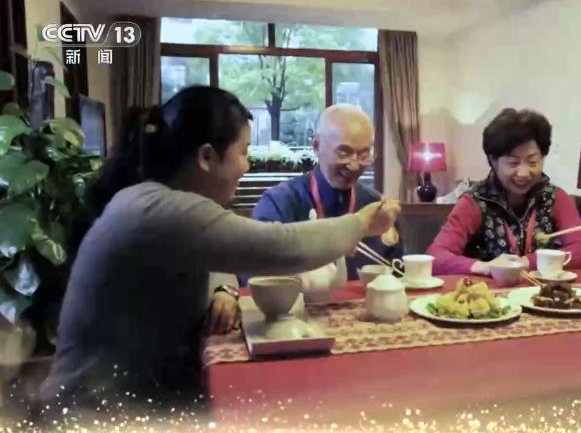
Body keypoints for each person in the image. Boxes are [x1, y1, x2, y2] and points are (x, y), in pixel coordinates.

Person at [38, 87, 400, 413]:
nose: (247, 165)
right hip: (95, 412)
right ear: (207, 157)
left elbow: (218, 254)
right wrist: (362, 223)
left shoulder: (154, 200)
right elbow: (280, 247)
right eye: (243, 152)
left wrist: (223, 288)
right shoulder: (163, 211)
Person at [427, 108, 581, 275]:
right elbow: (436, 257)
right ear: (493, 161)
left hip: (543, 290)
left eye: (533, 162)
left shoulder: (555, 197)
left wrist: (525, 262)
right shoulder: (475, 201)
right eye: (513, 163)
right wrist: (486, 267)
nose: (524, 173)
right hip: (491, 290)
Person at [253, 104, 404, 280]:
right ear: (316, 146)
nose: (354, 165)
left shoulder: (377, 207)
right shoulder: (279, 203)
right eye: (344, 152)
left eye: (364, 155)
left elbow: (398, 273)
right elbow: (255, 274)